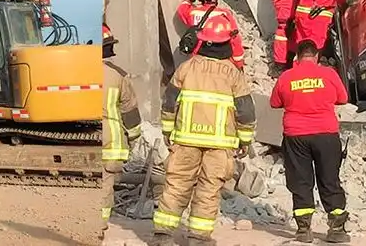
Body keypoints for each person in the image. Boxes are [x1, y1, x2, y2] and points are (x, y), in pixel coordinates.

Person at [152, 34, 256, 245]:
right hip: (219, 145)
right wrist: (245, 140)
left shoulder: (186, 68)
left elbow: (169, 102)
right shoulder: (233, 74)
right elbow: (245, 112)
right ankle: (198, 238)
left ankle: (163, 235)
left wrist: (167, 130)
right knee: (209, 189)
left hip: (185, 140)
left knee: (177, 184)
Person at [270, 40, 352, 243]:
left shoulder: (286, 76)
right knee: (330, 180)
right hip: (326, 134)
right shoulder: (329, 74)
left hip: (296, 135)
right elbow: (342, 98)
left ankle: (304, 230)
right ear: (316, 56)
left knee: (301, 182)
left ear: (297, 58)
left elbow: (275, 103)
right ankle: (337, 230)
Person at [101, 23, 142, 237]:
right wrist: (135, 138)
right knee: (105, 183)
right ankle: (98, 224)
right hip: (110, 140)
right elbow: (130, 112)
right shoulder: (118, 76)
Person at [176, 0, 245, 71]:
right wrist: (238, 62)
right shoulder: (224, 14)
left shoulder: (192, 12)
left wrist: (188, 0)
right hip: (220, 61)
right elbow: (234, 38)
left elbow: (182, 10)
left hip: (197, 59)